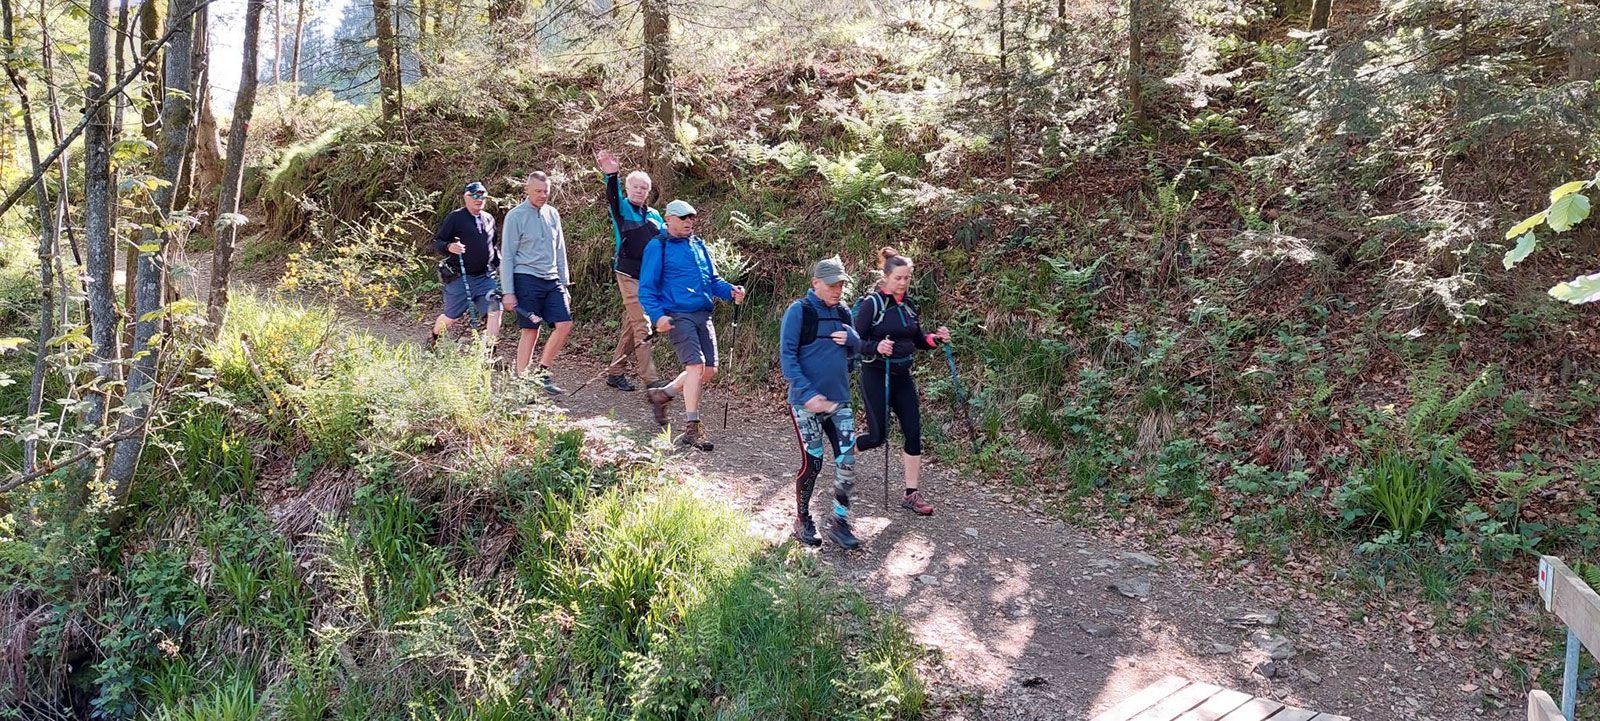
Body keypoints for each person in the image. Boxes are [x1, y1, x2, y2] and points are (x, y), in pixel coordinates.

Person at [639, 200, 746, 451]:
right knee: (695, 366)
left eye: (691, 218)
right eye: (683, 217)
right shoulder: (658, 246)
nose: (688, 222)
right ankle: (692, 429)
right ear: (669, 219)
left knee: (708, 371)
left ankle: (663, 394)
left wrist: (730, 290)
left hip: (703, 313)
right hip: (678, 314)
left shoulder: (698, 244)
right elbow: (646, 289)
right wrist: (657, 316)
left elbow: (712, 280)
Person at [853, 246, 951, 516]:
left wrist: (936, 339)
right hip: (876, 374)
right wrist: (876, 347)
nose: (903, 282)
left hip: (902, 377)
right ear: (886, 277)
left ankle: (911, 494)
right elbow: (855, 341)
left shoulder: (908, 306)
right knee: (877, 436)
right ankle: (846, 454)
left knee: (913, 432)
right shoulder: (872, 305)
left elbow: (918, 339)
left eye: (907, 277)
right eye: (898, 278)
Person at [780, 256, 864, 549]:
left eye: (840, 284)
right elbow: (787, 358)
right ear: (815, 283)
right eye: (831, 285)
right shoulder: (799, 312)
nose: (837, 290)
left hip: (839, 402)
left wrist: (852, 339)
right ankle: (802, 518)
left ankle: (840, 521)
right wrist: (808, 394)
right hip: (806, 405)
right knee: (813, 463)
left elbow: (856, 350)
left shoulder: (843, 312)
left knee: (847, 462)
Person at [596, 149, 665, 392]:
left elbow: (665, 242)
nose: (639, 191)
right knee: (642, 326)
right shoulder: (622, 209)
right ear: (627, 188)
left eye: (643, 188)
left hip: (648, 278)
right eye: (635, 186)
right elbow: (612, 197)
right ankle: (651, 381)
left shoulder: (655, 216)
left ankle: (615, 373)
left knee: (631, 326)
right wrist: (611, 175)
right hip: (627, 273)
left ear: (649, 191)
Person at [500, 171, 572, 394]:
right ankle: (522, 382)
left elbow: (560, 249)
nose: (542, 195)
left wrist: (565, 284)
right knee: (531, 330)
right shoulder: (515, 216)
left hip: (552, 279)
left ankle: (542, 372)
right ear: (527, 190)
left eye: (546, 191)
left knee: (564, 324)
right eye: (538, 191)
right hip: (526, 277)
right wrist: (508, 291)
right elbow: (508, 255)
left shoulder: (552, 214)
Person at [429, 181, 502, 351]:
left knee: (495, 310)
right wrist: (449, 247)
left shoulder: (489, 219)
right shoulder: (456, 218)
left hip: (485, 277)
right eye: (475, 195)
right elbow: (437, 241)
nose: (479, 199)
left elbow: (492, 247)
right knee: (451, 317)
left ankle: (489, 353)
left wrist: (500, 266)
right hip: (460, 277)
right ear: (466, 197)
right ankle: (434, 338)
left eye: (482, 195)